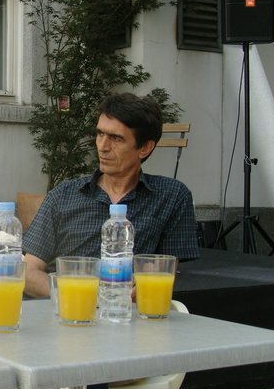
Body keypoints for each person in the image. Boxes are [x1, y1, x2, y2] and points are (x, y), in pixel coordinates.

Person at [23, 92, 199, 298]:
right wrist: (83, 297)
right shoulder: (64, 195)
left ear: (144, 148)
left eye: (116, 138)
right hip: (65, 309)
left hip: (124, 311)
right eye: (100, 134)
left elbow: (163, 274)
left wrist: (143, 285)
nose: (102, 147)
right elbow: (27, 272)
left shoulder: (171, 197)